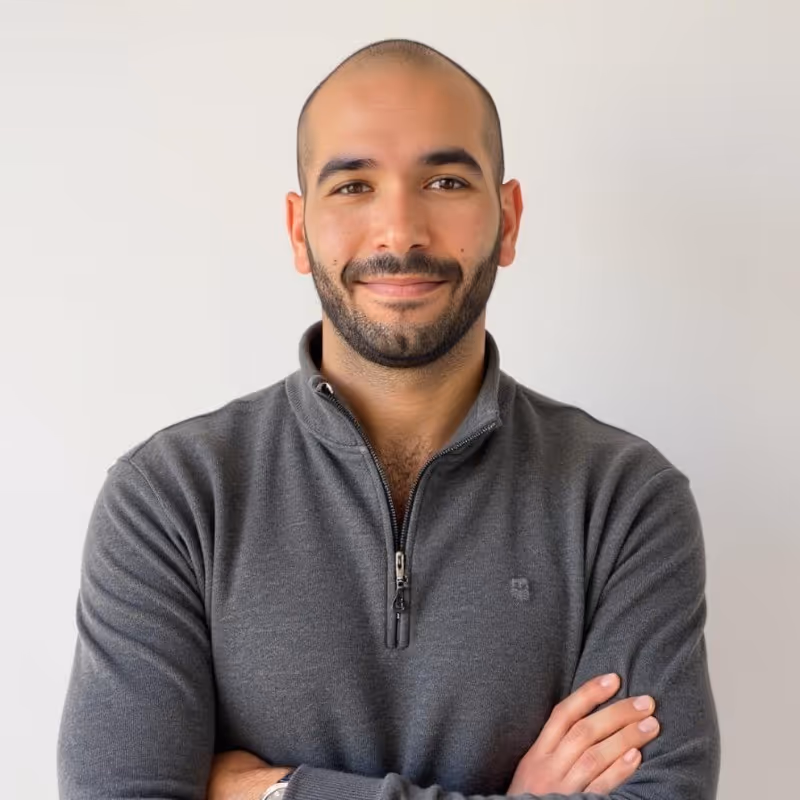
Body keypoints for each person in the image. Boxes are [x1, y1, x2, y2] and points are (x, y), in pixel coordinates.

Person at [57, 38, 720, 800]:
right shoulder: (172, 499)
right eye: (353, 186)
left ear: (507, 219)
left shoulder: (624, 502)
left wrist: (277, 792)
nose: (399, 231)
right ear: (297, 229)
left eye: (444, 180)